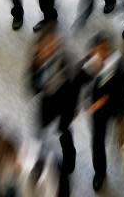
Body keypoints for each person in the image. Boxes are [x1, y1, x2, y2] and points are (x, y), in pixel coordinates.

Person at [26, 22, 79, 195]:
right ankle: (40, 157)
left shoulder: (65, 60)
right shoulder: (36, 60)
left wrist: (71, 111)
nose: (49, 49)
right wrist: (39, 78)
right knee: (39, 131)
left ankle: (70, 160)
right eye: (45, 45)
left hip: (64, 105)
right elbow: (31, 87)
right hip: (46, 104)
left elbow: (74, 89)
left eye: (53, 44)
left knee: (64, 132)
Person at [79, 32, 124, 191]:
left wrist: (107, 100)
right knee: (97, 142)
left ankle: (120, 142)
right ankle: (100, 173)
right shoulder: (89, 63)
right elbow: (80, 79)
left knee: (119, 135)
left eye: (104, 51)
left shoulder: (120, 68)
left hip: (114, 108)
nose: (100, 55)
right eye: (96, 51)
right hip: (97, 113)